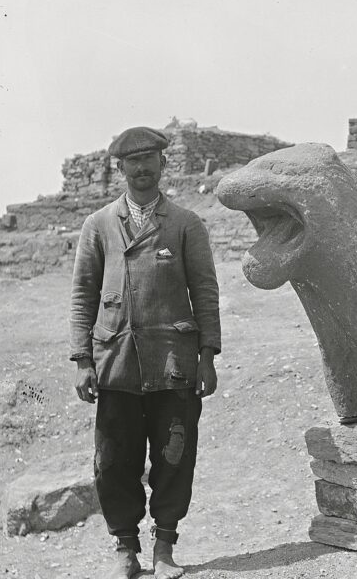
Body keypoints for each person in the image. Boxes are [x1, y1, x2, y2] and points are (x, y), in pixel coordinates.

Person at [69, 126, 221, 579]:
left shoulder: (185, 224)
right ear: (119, 168)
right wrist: (82, 359)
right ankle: (126, 551)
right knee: (114, 459)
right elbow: (82, 295)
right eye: (131, 162)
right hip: (115, 364)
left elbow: (205, 292)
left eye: (149, 159)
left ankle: (165, 547)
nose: (141, 169)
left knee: (175, 455)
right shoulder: (98, 226)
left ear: (163, 164)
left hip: (173, 363)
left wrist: (207, 355)